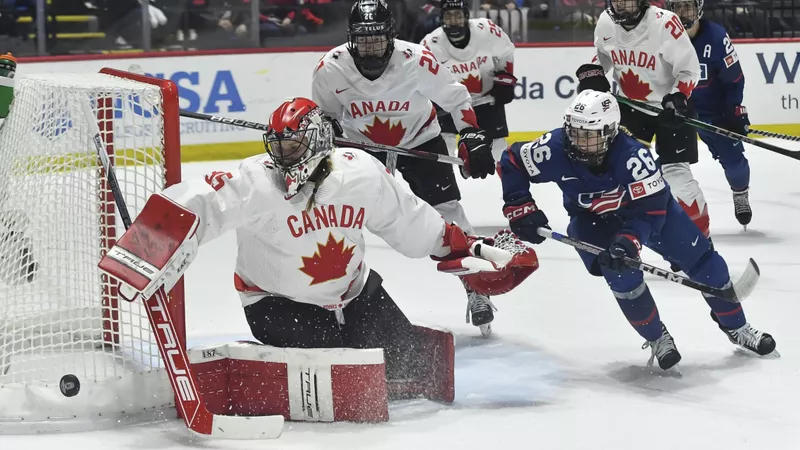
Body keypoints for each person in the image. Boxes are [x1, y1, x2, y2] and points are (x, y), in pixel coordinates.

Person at [97, 98, 537, 409]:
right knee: (346, 385)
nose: (281, 156)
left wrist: (469, 250)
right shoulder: (256, 181)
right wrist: (146, 246)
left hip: (356, 294)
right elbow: (197, 199)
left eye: (292, 146)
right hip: (277, 304)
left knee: (411, 368)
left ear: (317, 143)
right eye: (277, 145)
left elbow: (413, 224)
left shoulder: (360, 173)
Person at [497, 90, 776, 370]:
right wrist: (520, 205)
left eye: (590, 136)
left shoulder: (634, 157)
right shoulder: (554, 147)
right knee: (621, 274)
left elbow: (652, 210)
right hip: (593, 220)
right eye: (576, 132)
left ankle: (737, 327)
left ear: (610, 133)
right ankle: (657, 338)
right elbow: (512, 160)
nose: (580, 142)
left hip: (648, 214)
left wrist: (630, 240)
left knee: (707, 265)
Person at [311, 0, 499, 337]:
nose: (370, 47)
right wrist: (329, 129)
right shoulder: (330, 67)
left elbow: (456, 98)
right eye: (362, 39)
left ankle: (476, 288)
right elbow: (326, 115)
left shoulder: (417, 60)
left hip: (420, 140)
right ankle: (330, 296)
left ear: (391, 36)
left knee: (448, 213)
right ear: (352, 38)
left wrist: (471, 134)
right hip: (362, 149)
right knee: (336, 217)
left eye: (377, 38)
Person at [575, 0, 711, 239]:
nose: (620, 4)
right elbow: (602, 56)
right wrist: (593, 73)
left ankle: (701, 241)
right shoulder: (606, 22)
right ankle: (627, 240)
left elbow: (689, 69)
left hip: (671, 109)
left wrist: (678, 97)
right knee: (622, 176)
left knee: (677, 177)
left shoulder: (665, 23)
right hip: (631, 109)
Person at [667, 0, 752, 229]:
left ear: (699, 9)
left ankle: (740, 193)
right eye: (678, 7)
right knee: (671, 169)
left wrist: (734, 110)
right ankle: (677, 218)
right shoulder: (661, 36)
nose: (683, 13)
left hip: (712, 111)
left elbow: (733, 78)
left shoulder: (715, 37)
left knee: (735, 164)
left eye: (688, 6)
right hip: (675, 111)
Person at [420, 0, 516, 162]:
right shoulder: (431, 43)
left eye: (458, 15)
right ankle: (446, 183)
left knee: (499, 148)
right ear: (442, 19)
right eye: (449, 16)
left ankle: (509, 186)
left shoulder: (487, 30)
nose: (454, 20)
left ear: (466, 16)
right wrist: (433, 98)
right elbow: (423, 76)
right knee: (445, 148)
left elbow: (506, 52)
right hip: (452, 103)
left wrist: (504, 80)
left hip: (487, 98)